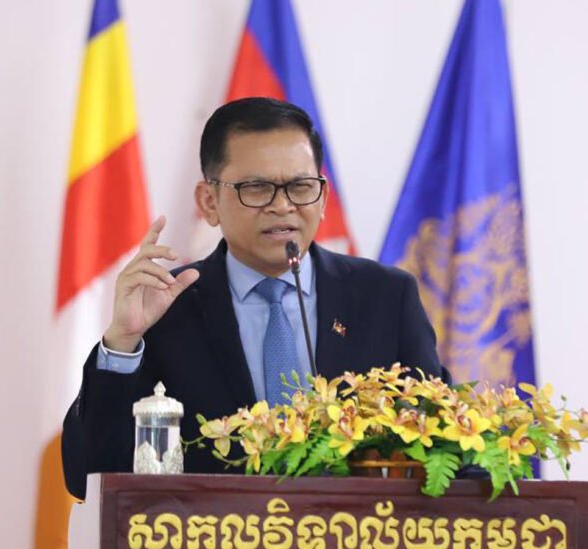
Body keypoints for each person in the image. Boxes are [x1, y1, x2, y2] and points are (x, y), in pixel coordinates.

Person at [62, 97, 443, 499]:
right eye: (257, 188)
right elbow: (87, 475)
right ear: (209, 202)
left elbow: (440, 443)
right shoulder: (165, 306)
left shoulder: (386, 298)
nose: (283, 206)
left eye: (300, 187)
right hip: (210, 537)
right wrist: (122, 342)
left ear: (322, 198)